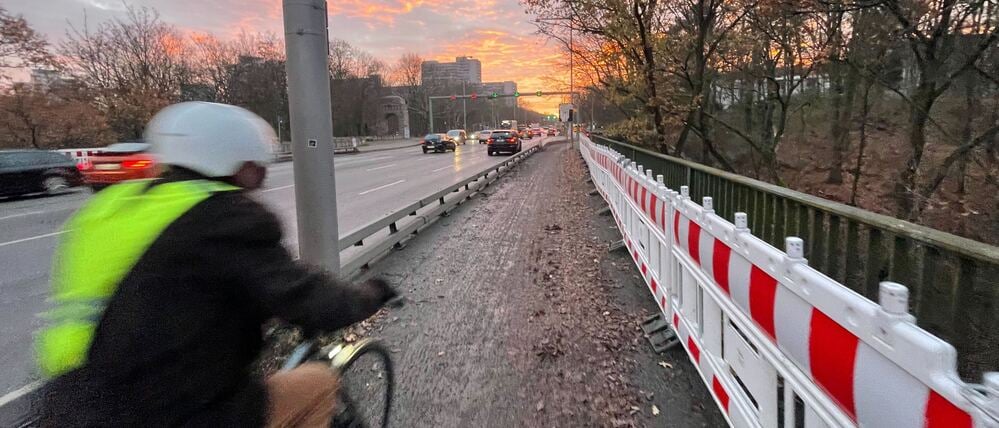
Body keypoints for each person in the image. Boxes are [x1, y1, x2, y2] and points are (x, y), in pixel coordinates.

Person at [35, 102, 396, 426]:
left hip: (70, 406)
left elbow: (154, 289)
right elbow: (308, 298)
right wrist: (371, 294)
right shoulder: (227, 217)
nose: (261, 176)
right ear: (234, 163)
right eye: (255, 165)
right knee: (319, 382)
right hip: (173, 411)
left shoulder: (110, 208)